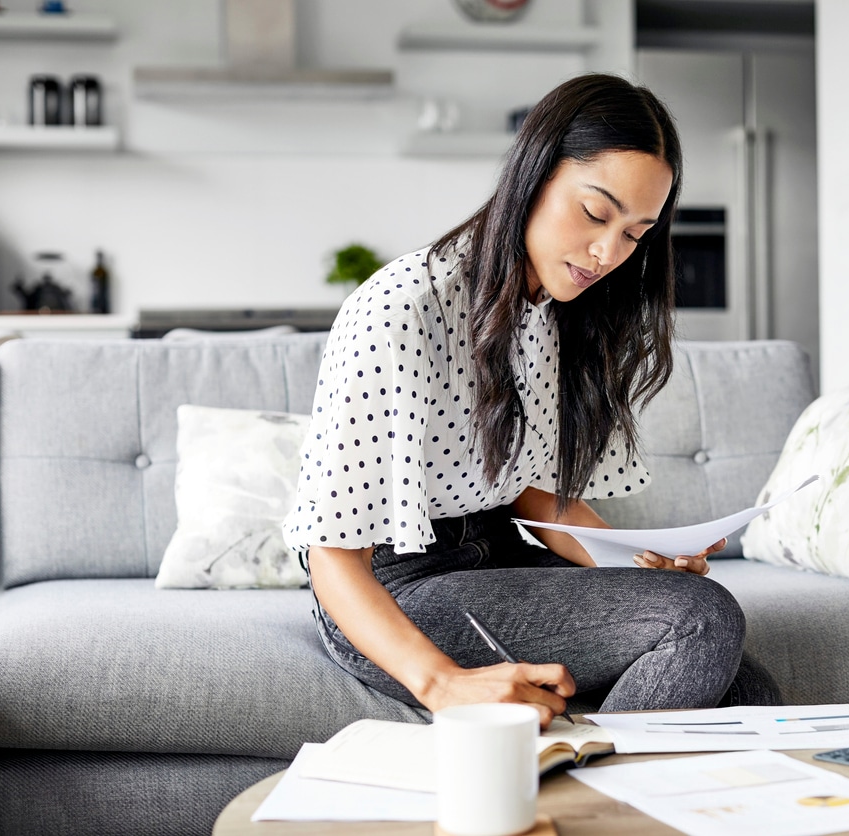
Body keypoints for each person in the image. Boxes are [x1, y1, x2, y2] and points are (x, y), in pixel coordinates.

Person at [284, 73, 778, 728]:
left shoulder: (563, 313)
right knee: (703, 621)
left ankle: (595, 791)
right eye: (596, 213)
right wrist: (443, 685)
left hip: (499, 556)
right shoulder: (403, 308)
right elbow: (332, 554)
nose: (608, 253)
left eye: (636, 234)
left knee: (748, 691)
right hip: (390, 591)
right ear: (533, 174)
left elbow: (534, 495)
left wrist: (639, 560)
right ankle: (578, 803)